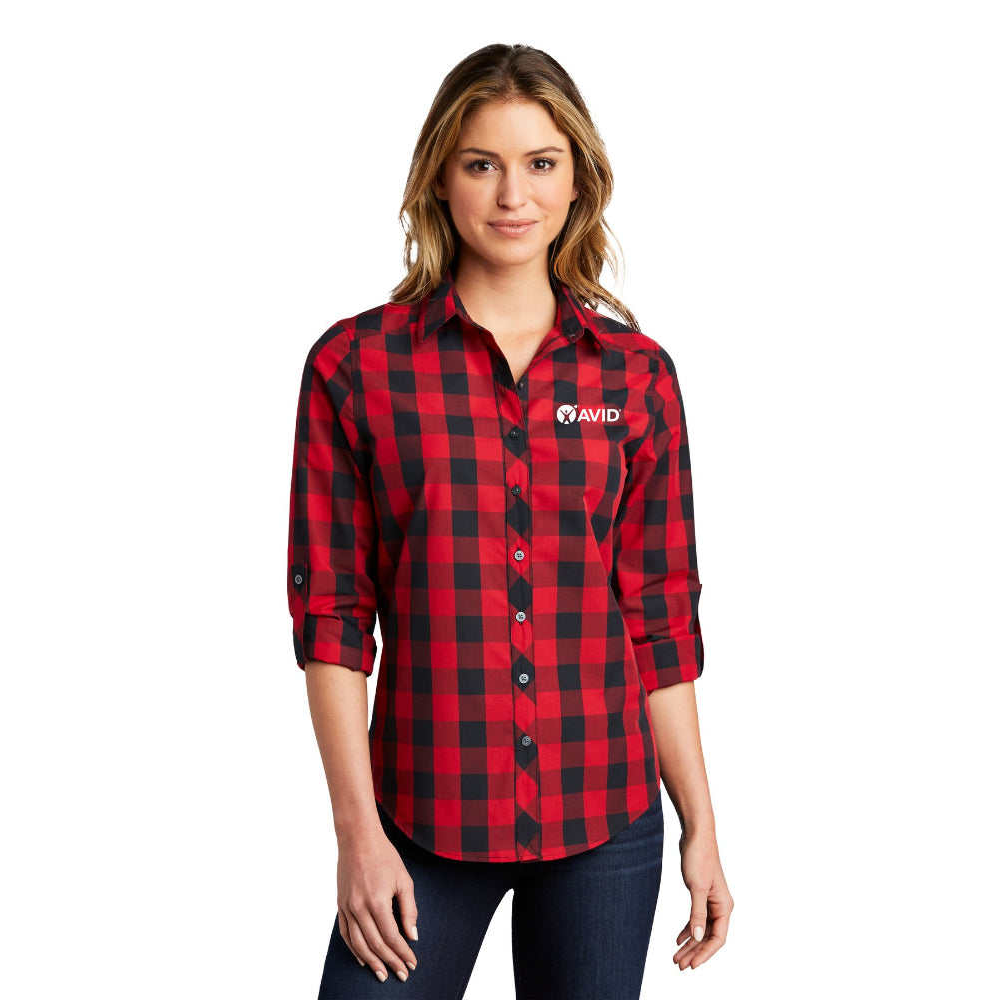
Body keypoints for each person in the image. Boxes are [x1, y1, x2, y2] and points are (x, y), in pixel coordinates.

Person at [286, 42, 734, 999]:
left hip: (605, 817)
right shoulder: (355, 368)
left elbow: (660, 620)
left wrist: (700, 825)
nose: (512, 195)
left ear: (578, 182)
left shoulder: (636, 377)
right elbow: (332, 621)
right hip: (421, 816)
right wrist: (357, 834)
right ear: (439, 180)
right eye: (482, 163)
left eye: (541, 163)